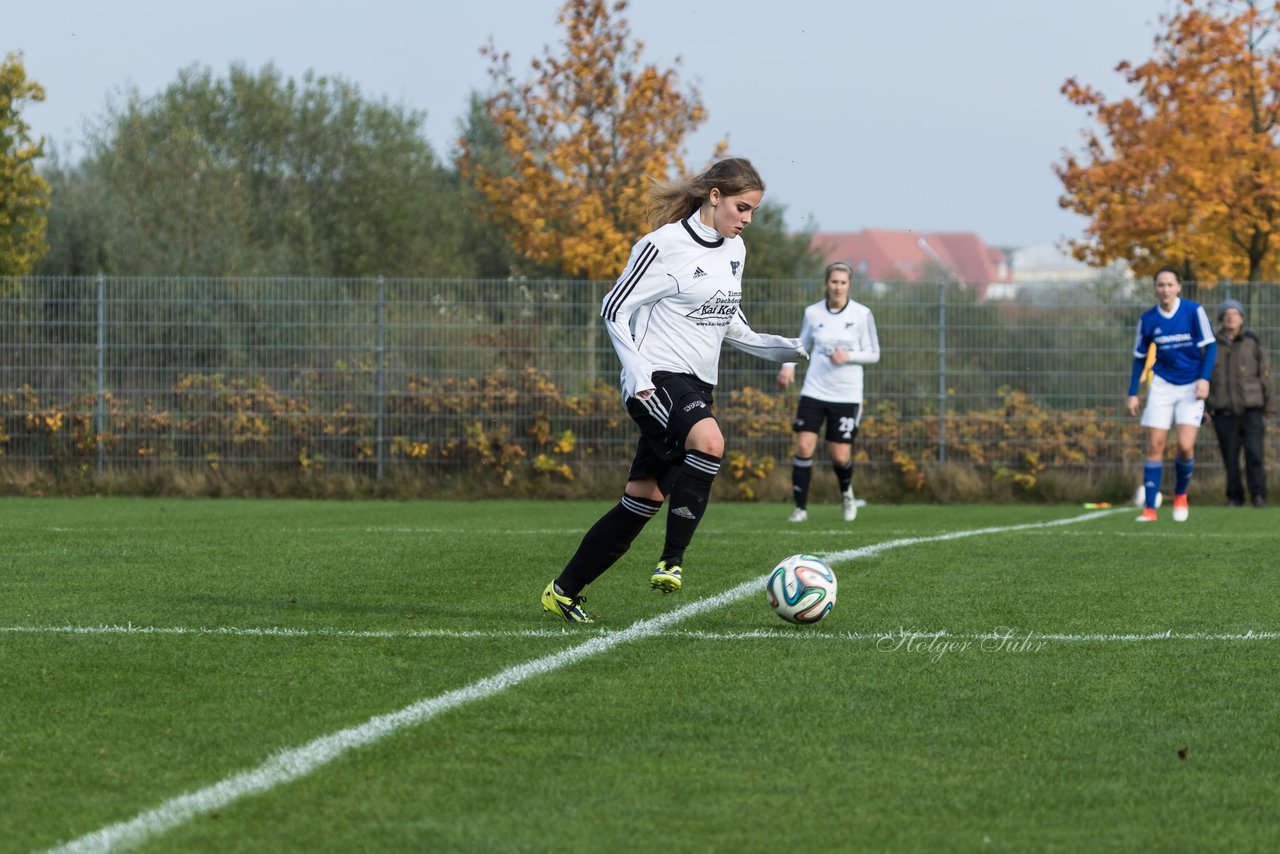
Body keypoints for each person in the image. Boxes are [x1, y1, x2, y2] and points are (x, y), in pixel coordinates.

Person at [541, 157, 807, 623]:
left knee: (641, 499)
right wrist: (638, 372)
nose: (746, 220)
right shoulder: (663, 245)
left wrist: (776, 347)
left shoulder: (734, 252)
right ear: (715, 196)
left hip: (698, 385)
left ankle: (563, 590)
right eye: (742, 208)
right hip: (656, 380)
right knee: (710, 441)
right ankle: (672, 561)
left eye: (754, 213)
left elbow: (729, 324)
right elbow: (613, 308)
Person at [775, 262, 880, 522]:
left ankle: (846, 494)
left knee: (840, 454)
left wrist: (848, 356)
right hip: (814, 390)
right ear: (827, 283)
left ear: (849, 285)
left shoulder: (862, 314)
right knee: (803, 445)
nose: (838, 287)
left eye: (843, 282)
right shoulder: (812, 313)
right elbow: (801, 344)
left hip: (846, 395)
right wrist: (788, 366)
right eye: (834, 282)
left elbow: (874, 353)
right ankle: (800, 509)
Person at [1126, 265, 1217, 522]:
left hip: (1191, 387)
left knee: (1186, 447)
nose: (1165, 289)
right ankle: (1150, 510)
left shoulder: (1193, 311)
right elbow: (1138, 358)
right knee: (1155, 445)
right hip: (1162, 385)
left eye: (1170, 284)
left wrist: (1204, 379)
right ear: (1155, 288)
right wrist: (1132, 392)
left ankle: (1180, 495)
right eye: (1160, 285)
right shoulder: (1148, 319)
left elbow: (1210, 347)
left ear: (1178, 287)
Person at [1205, 298, 1274, 508]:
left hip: (1252, 409)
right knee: (1230, 456)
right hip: (1223, 411)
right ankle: (1234, 496)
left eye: (1235, 314)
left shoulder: (1252, 344)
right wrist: (1205, 408)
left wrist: (1270, 405)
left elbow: (1266, 375)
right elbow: (1203, 379)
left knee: (1255, 453)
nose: (1231, 317)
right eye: (1227, 315)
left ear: (1242, 319)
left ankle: (1258, 495)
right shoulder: (1211, 346)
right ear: (1221, 320)